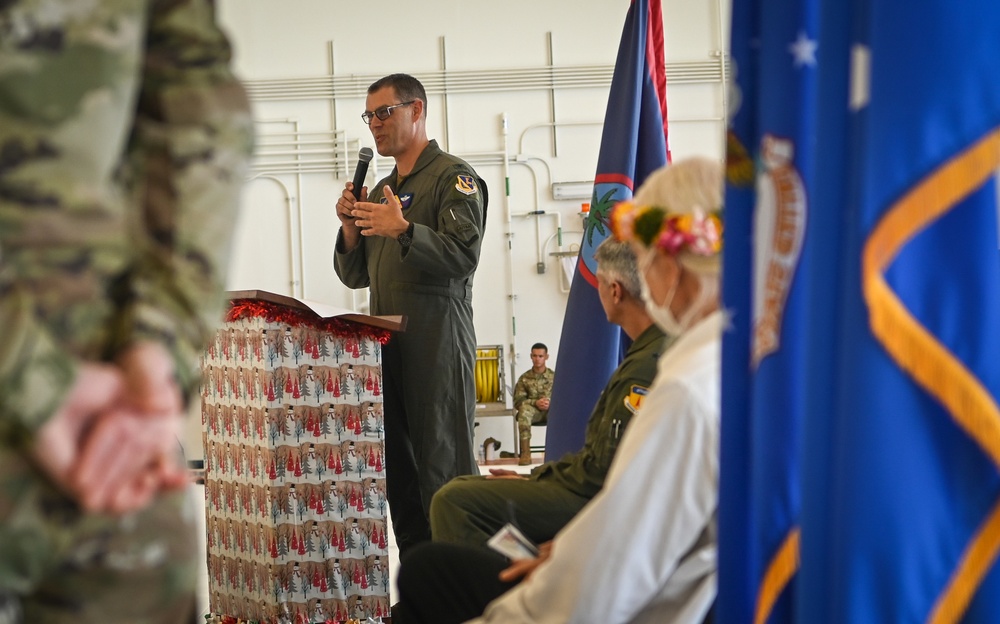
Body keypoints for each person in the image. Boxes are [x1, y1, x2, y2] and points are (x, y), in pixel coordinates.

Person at [0, 1, 253, 622]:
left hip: (104, 422)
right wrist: (158, 348)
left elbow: (197, 100)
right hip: (107, 423)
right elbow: (201, 113)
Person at [395, 157, 723, 624]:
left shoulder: (685, 390)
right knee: (429, 568)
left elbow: (612, 574)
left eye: (645, 265)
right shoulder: (727, 365)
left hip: (617, 595)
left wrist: (509, 608)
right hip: (618, 562)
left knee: (432, 561)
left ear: (669, 265)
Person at [333, 73, 488, 553]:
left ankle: (463, 594)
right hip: (389, 348)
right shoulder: (383, 188)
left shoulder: (452, 178)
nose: (375, 125)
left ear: (416, 110)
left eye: (385, 113)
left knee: (444, 473)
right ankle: (423, 591)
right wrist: (352, 231)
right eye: (369, 116)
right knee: (401, 477)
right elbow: (358, 275)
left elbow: (463, 255)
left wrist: (403, 231)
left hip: (437, 343)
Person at [429, 239, 667, 548]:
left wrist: (537, 480)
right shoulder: (648, 351)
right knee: (465, 485)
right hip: (597, 490)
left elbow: (603, 472)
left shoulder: (643, 367)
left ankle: (502, 589)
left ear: (615, 290)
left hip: (602, 502)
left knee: (453, 500)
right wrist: (536, 476)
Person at [511, 342, 554, 465]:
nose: (537, 359)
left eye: (540, 356)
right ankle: (525, 454)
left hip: (550, 411)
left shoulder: (554, 377)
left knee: (563, 413)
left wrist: (551, 404)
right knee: (523, 411)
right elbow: (518, 401)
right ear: (531, 356)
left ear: (546, 357)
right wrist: (535, 402)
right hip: (533, 412)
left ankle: (558, 452)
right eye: (535, 356)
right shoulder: (524, 378)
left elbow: (564, 397)